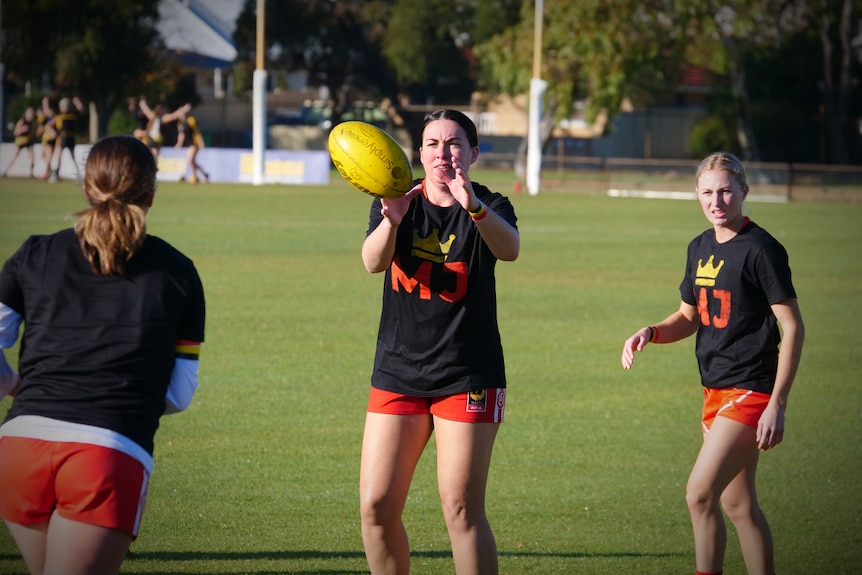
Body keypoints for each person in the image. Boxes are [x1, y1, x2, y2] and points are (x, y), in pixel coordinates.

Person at [0, 135, 206, 575]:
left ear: (86, 188)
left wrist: (15, 385)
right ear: (151, 194)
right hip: (106, 455)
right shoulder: (178, 272)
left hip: (19, 448)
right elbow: (180, 394)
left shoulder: (33, 252)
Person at [621, 151, 804, 575]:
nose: (716, 201)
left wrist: (778, 402)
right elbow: (688, 316)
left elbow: (792, 327)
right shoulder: (699, 246)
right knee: (738, 504)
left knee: (699, 494)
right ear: (697, 195)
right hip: (714, 388)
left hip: (751, 389)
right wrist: (650, 331)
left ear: (743, 190)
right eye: (707, 192)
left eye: (725, 191)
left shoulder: (762, 249)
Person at [358, 109, 520, 575]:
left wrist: (473, 206)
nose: (442, 153)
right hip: (398, 370)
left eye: (453, 144)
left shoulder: (491, 203)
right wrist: (391, 220)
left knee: (461, 511)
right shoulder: (396, 199)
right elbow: (372, 262)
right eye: (432, 143)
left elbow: (508, 249)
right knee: (376, 507)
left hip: (467, 374)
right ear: (419, 152)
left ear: (473, 153)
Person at [50, 96, 85, 182]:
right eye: (63, 106)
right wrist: (53, 133)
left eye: (66, 105)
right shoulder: (59, 116)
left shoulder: (72, 115)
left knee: (73, 157)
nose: (65, 107)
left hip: (71, 138)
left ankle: (78, 175)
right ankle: (55, 175)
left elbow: (81, 111)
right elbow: (49, 125)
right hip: (62, 138)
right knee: (59, 157)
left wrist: (77, 102)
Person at [175, 107, 210, 183]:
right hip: (188, 144)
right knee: (192, 162)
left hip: (194, 143)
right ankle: (205, 174)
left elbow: (197, 132)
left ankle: (194, 176)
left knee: (190, 160)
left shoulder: (191, 121)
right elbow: (181, 135)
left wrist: (201, 142)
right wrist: (179, 144)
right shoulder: (180, 124)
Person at [2, 107, 37, 177]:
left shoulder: (32, 123)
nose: (30, 115)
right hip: (21, 141)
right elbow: (15, 132)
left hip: (28, 141)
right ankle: (5, 170)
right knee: (14, 156)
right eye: (29, 113)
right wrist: (22, 129)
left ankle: (31, 173)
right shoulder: (22, 121)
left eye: (32, 114)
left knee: (32, 158)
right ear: (26, 114)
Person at [37, 97, 58, 181]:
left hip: (50, 139)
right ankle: (51, 172)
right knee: (45, 156)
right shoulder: (44, 119)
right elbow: (40, 129)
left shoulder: (51, 115)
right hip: (46, 139)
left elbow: (47, 113)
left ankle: (46, 173)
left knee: (48, 157)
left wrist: (44, 104)